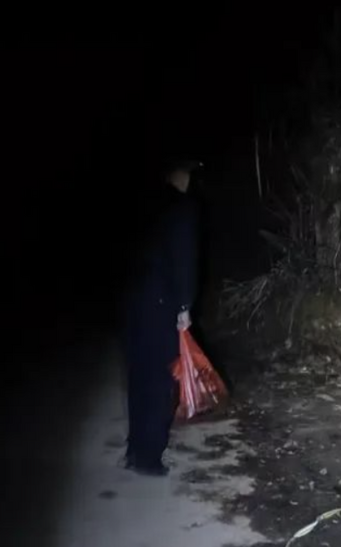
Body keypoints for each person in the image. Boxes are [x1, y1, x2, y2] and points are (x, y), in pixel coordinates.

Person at [122, 158, 201, 476]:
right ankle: (149, 457)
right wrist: (184, 306)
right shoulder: (181, 208)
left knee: (139, 375)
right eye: (188, 173)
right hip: (161, 303)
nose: (190, 180)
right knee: (160, 380)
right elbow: (184, 261)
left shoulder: (142, 204)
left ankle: (136, 448)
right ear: (178, 174)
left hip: (133, 300)